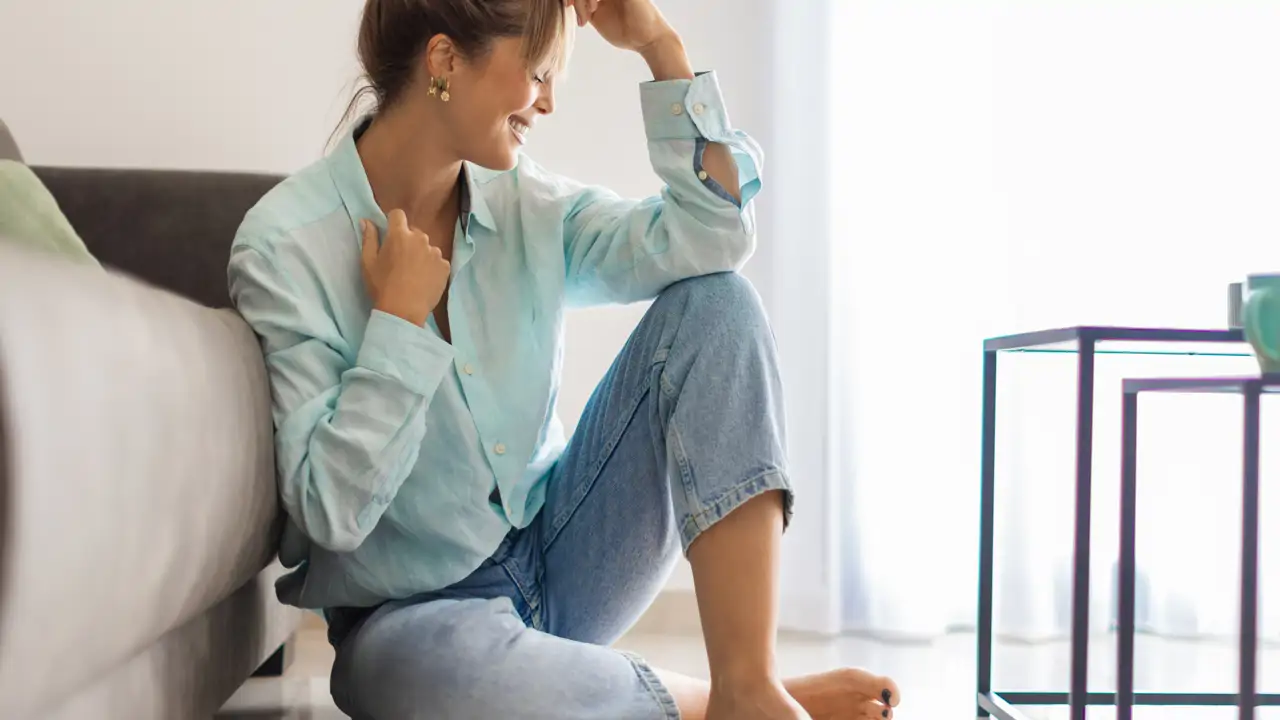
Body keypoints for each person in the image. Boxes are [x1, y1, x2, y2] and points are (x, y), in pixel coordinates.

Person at [228, 0, 900, 717]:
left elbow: (714, 238)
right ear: (445, 60)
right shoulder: (284, 245)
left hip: (565, 559)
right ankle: (713, 706)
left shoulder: (530, 204)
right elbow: (330, 513)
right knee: (425, 680)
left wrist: (658, 44)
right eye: (539, 72)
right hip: (409, 625)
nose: (548, 101)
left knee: (717, 303)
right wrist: (397, 321)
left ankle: (749, 683)